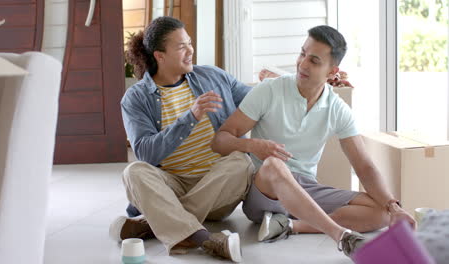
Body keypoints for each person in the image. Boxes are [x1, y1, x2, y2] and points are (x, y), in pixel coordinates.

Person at [211, 25, 416, 257]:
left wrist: (394, 207)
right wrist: (251, 146)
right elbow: (220, 140)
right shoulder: (269, 90)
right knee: (275, 165)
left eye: (314, 61)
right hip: (263, 190)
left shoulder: (337, 109)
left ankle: (289, 225)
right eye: (302, 54)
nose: (303, 64)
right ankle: (341, 235)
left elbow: (364, 166)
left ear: (332, 71)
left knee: (381, 213)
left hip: (305, 189)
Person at [108, 16, 254, 262]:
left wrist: (274, 86)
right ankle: (203, 239)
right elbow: (145, 153)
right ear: (160, 55)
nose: (190, 50)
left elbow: (257, 103)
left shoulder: (214, 77)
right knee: (134, 171)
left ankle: (154, 223)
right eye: (181, 46)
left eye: (190, 43)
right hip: (171, 185)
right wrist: (191, 116)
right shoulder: (136, 98)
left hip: (217, 187)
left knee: (241, 162)